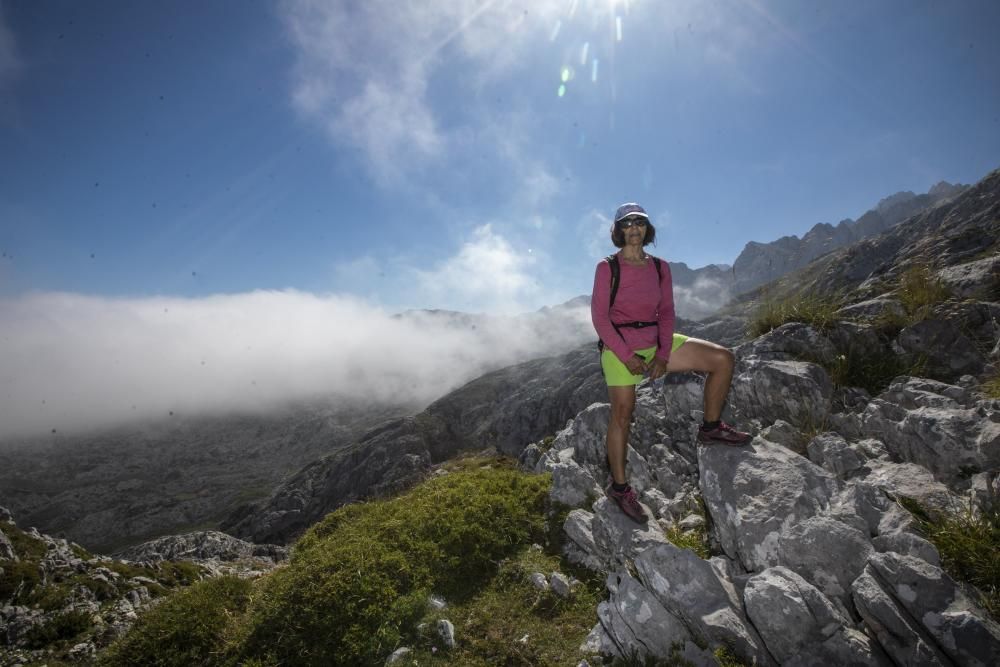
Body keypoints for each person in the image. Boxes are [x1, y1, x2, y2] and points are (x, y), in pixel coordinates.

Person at [592, 202, 750, 523]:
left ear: (646, 229)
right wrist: (627, 356)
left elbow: (666, 312)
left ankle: (710, 428)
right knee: (622, 413)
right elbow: (600, 318)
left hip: (656, 342)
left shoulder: (661, 267)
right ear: (618, 231)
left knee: (722, 359)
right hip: (619, 346)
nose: (634, 228)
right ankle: (620, 488)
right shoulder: (608, 267)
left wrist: (663, 354)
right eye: (627, 223)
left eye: (640, 223)